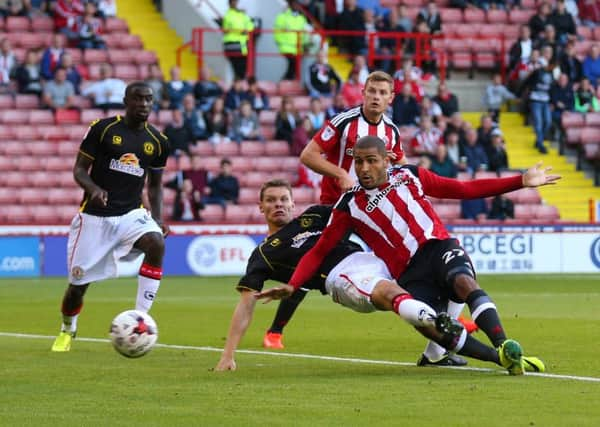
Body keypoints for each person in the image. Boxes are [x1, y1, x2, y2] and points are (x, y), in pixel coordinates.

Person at [258, 136, 560, 375]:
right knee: (433, 327)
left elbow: (463, 188)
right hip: (409, 274)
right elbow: (320, 250)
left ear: (387, 160)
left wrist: (519, 181)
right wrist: (294, 284)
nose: (363, 168)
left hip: (438, 247)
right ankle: (497, 359)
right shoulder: (347, 205)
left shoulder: (410, 176)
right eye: (358, 162)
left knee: (463, 282)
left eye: (371, 161)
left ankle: (504, 344)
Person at [215, 180, 466, 371]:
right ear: (260, 207)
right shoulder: (263, 254)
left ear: (293, 204)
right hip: (347, 279)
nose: (278, 204)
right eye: (270, 200)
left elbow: (357, 207)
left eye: (283, 199)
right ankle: (450, 335)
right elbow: (247, 304)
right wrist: (228, 355)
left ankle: (436, 352)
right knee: (402, 299)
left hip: (373, 260)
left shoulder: (315, 216)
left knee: (446, 276)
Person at [260, 71, 408, 351]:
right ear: (363, 93)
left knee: (405, 255)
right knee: (313, 264)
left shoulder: (391, 132)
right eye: (371, 91)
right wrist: (341, 173)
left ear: (391, 98)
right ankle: (275, 331)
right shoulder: (344, 122)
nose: (376, 97)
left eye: (382, 93)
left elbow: (402, 168)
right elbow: (308, 154)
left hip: (371, 210)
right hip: (336, 208)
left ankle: (443, 315)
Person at [51, 81, 170, 352]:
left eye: (148, 99)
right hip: (94, 218)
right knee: (78, 285)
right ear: (126, 101)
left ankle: (141, 319)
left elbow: (154, 185)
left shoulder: (158, 142)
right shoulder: (102, 129)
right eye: (138, 99)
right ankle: (67, 328)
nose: (143, 104)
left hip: (131, 213)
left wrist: (159, 218)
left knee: (156, 243)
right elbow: (79, 170)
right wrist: (92, 189)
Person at [274, 0, 308, 80]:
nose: (297, 5)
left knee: (294, 70)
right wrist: (281, 45)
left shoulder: (301, 18)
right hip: (286, 49)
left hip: (298, 49)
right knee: (292, 68)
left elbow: (304, 34)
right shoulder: (282, 16)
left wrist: (305, 45)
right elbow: (277, 34)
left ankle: (286, 84)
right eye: (295, 3)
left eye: (298, 4)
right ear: (290, 4)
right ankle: (283, 84)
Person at [222, 0, 254, 79]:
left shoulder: (242, 14)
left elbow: (250, 26)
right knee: (237, 69)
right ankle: (238, 87)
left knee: (243, 70)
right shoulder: (227, 15)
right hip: (232, 45)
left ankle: (240, 86)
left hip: (242, 46)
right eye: (233, 1)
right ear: (229, 3)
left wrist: (245, 30)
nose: (235, 3)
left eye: (236, 1)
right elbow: (226, 29)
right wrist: (241, 31)